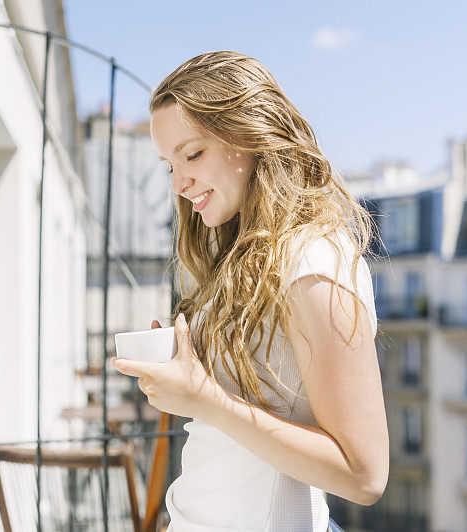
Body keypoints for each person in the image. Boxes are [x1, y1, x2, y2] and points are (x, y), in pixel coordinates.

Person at [112, 50, 388, 532]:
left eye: (193, 154)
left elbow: (364, 475)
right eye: (168, 165)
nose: (179, 184)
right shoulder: (238, 257)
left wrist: (204, 397)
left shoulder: (314, 262)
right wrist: (187, 369)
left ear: (251, 135)